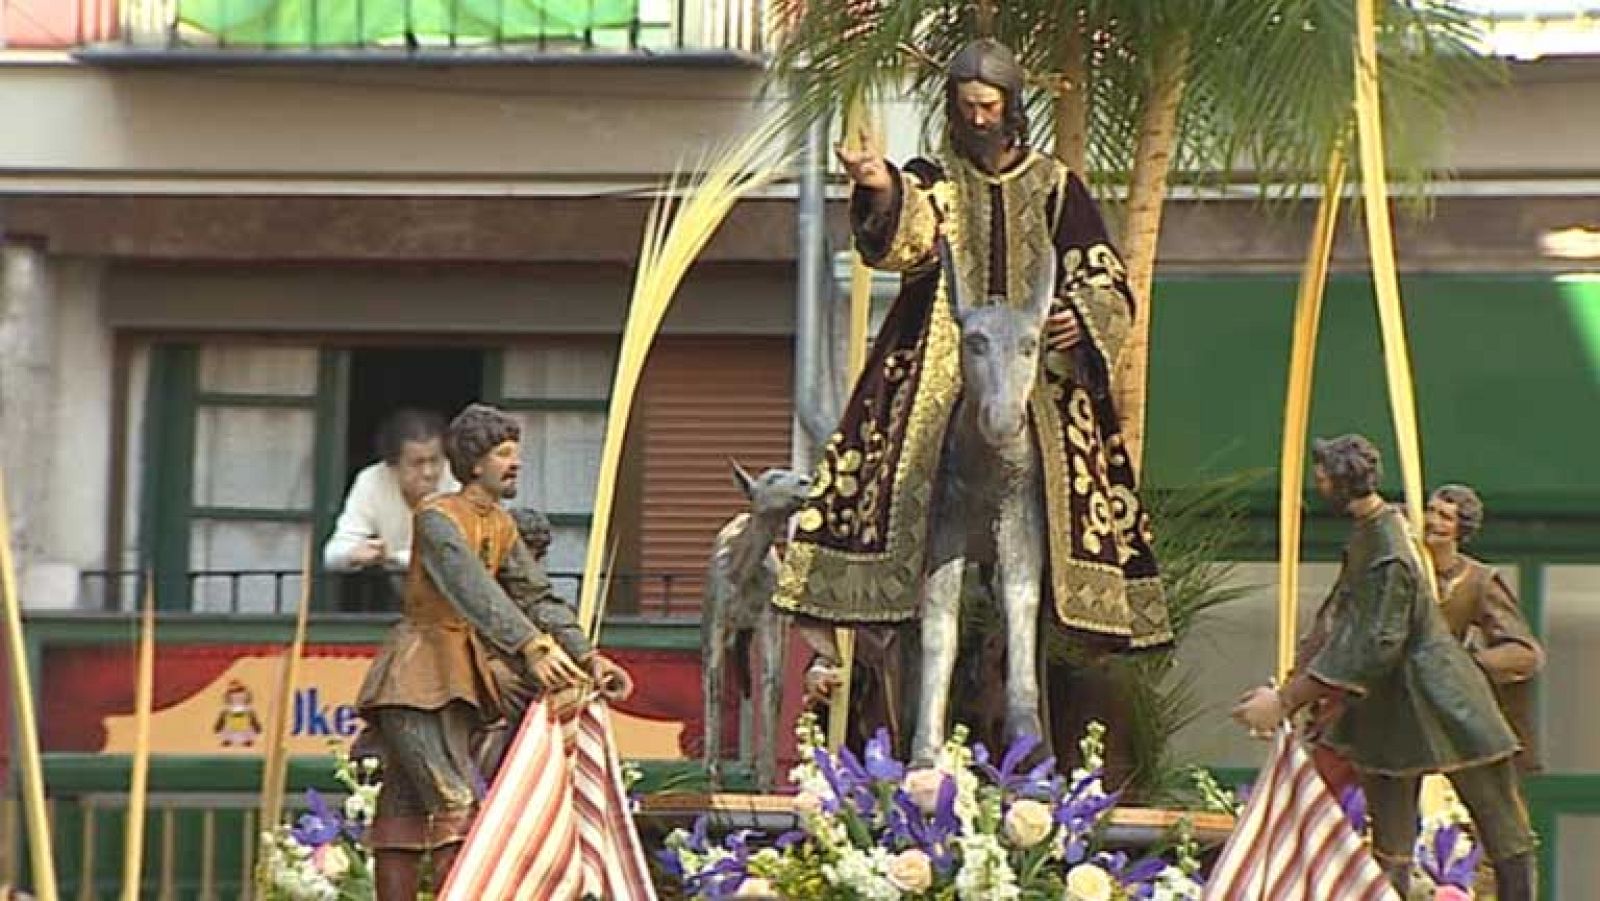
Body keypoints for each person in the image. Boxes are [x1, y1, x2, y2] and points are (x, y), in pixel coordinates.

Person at [774, 38, 1168, 756]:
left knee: (1075, 480)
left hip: (1036, 376)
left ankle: (1044, 698)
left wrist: (1081, 315)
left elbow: (1101, 272)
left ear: (1012, 108)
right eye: (967, 108)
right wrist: (879, 183)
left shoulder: (1055, 185)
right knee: (888, 459)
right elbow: (908, 238)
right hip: (937, 363)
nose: (979, 118)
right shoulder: (936, 178)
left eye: (989, 106)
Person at [1233, 435, 1536, 899]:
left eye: (1322, 478)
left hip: (1443, 699)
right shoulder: (1371, 535)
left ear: (1341, 481)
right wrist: (1288, 692)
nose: (1319, 486)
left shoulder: (1390, 548)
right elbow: (1336, 621)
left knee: (1501, 826)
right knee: (1390, 841)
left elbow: (1375, 642)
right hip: (1392, 707)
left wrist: (1286, 699)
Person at [355, 404, 633, 899]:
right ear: (474, 462)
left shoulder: (501, 524)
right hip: (417, 675)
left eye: (515, 452)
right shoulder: (437, 517)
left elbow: (536, 596)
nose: (516, 462)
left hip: (460, 675)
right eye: (504, 453)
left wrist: (589, 657)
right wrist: (532, 647)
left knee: (403, 809)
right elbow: (472, 588)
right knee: (455, 803)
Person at [1425, 483, 1545, 775]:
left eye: (1445, 517)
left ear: (1460, 530)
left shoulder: (1477, 580)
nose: (1433, 522)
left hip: (1444, 696)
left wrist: (1465, 664)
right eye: (1430, 511)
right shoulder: (1404, 569)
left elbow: (1524, 652)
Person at [323, 408, 458, 573]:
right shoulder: (371, 481)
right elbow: (332, 554)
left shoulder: (458, 477)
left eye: (435, 460)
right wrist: (354, 554)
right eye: (417, 463)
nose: (428, 472)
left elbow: (460, 557)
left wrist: (394, 557)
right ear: (392, 465)